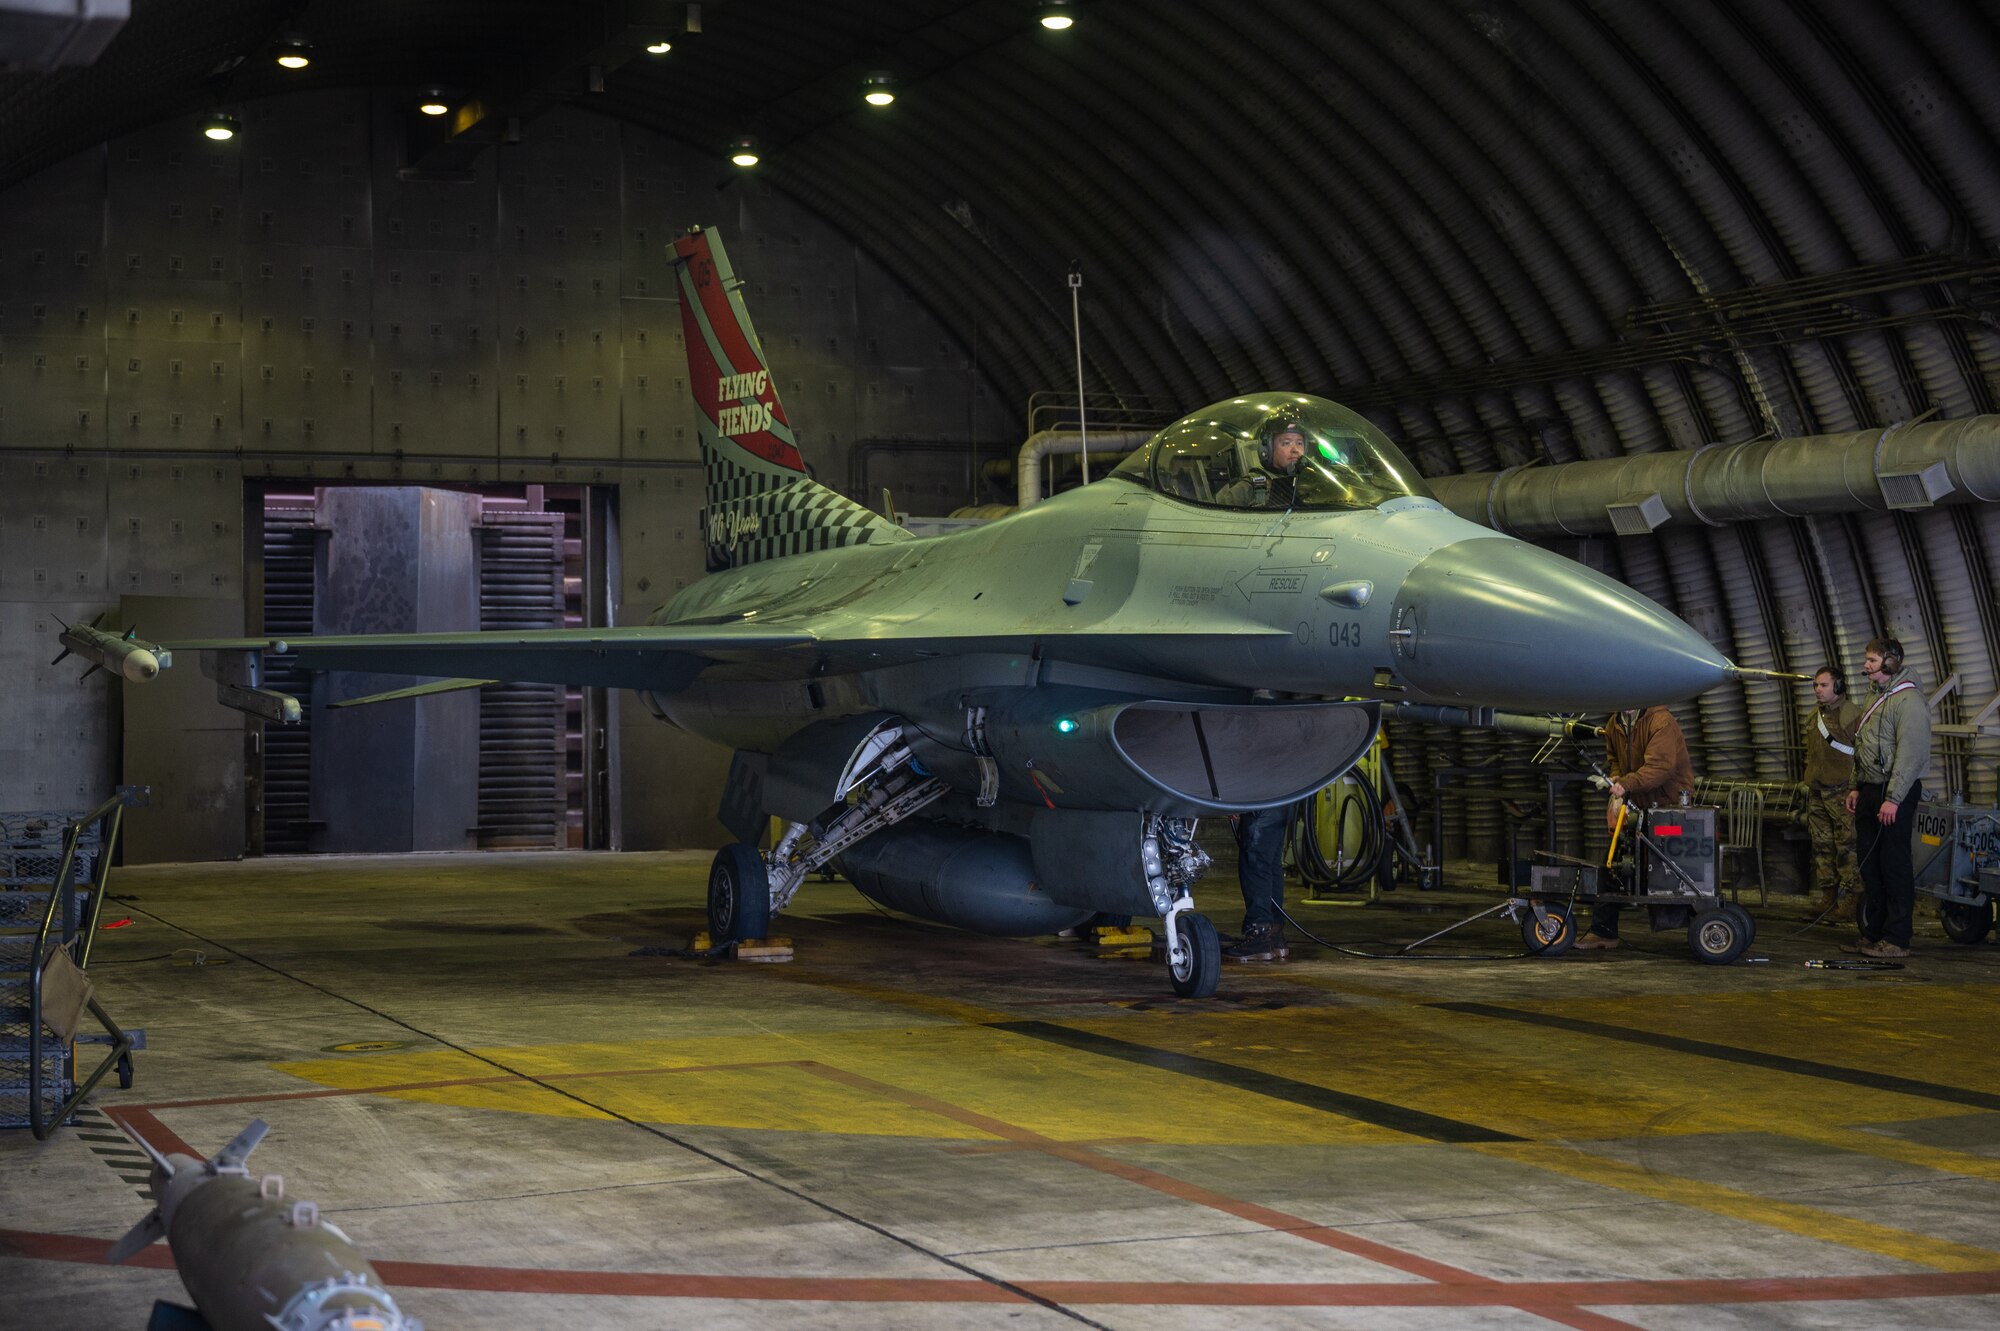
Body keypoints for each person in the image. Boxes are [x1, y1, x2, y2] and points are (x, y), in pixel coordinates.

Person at [1576, 703, 1697, 950]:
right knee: (1613, 862)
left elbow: (1661, 766)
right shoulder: (1614, 723)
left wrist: (1627, 783)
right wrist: (1619, 779)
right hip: (1639, 807)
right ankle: (1604, 932)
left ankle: (1700, 922)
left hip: (1670, 808)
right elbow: (1615, 760)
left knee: (1674, 869)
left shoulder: (1661, 721)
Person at [1844, 637, 1931, 959]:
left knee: (1893, 865)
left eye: (1871, 660)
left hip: (1894, 791)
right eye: (1866, 660)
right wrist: (1856, 785)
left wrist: (1893, 798)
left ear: (1891, 662)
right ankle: (1874, 935)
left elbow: (1911, 754)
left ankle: (1897, 939)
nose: (1865, 666)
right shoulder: (1874, 696)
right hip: (1871, 787)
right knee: (1871, 864)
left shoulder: (1909, 701)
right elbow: (1863, 745)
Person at [1801, 665, 1863, 921]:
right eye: (1816, 685)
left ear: (1837, 687)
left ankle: (1852, 900)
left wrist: (1855, 787)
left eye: (1823, 685)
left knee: (1846, 847)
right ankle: (1828, 895)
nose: (1818, 690)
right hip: (1817, 791)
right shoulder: (1814, 716)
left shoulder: (1851, 716)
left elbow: (1862, 754)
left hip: (1841, 793)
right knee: (1822, 846)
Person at [1224, 803, 1290, 962]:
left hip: (1260, 806)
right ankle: (1274, 936)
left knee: (1255, 865)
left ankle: (1259, 934)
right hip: (1282, 802)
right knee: (1271, 866)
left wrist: (1234, 802)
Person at [1216, 418, 1308, 507]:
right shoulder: (1248, 488)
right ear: (1268, 448)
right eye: (1286, 443)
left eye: (1299, 443)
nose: (1295, 450)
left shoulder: (1310, 483)